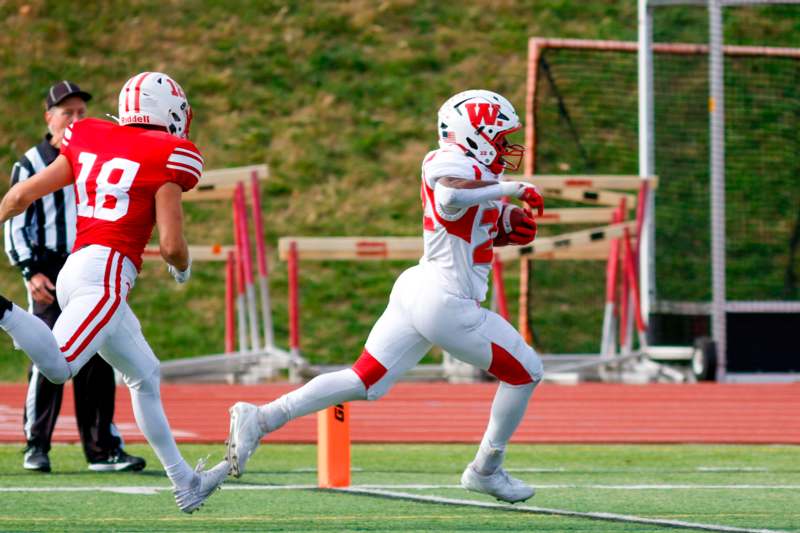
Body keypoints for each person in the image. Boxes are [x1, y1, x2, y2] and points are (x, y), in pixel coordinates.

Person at [227, 90, 545, 503]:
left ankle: (262, 418)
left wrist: (505, 221)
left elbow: (467, 220)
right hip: (446, 301)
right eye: (501, 137)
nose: (506, 147)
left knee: (365, 381)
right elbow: (451, 195)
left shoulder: (476, 171)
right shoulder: (450, 161)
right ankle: (486, 468)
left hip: (420, 288)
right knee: (526, 371)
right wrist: (513, 188)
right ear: (477, 134)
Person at [0, 72, 228, 513]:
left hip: (77, 268)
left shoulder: (88, 137)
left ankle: (185, 482)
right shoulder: (171, 154)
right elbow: (172, 245)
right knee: (61, 367)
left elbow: (21, 196)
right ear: (168, 111)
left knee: (145, 374)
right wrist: (182, 268)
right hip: (105, 273)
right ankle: (3, 312)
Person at [4, 80, 145, 474]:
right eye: (67, 112)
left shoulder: (97, 154)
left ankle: (102, 448)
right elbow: (17, 218)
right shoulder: (33, 161)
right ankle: (37, 444)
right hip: (48, 267)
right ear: (49, 117)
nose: (76, 119)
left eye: (82, 112)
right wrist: (30, 271)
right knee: (48, 352)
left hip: (88, 260)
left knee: (99, 355)